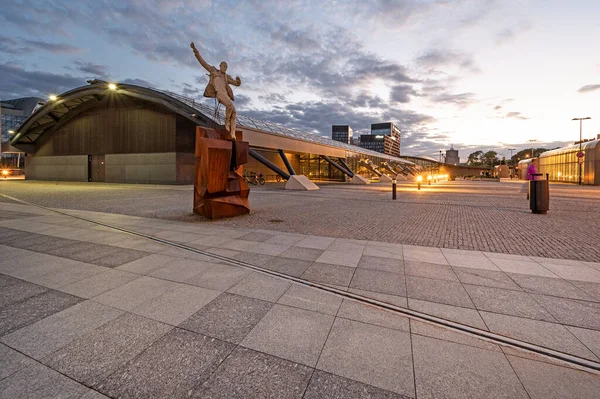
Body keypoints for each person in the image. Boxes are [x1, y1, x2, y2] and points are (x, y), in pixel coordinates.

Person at [190, 42, 241, 139]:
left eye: (226, 67)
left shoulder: (227, 77)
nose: (225, 68)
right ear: (220, 66)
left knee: (234, 112)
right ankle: (227, 121)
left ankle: (232, 133)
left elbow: (236, 83)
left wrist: (239, 82)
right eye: (224, 66)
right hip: (219, 94)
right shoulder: (213, 71)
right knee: (230, 105)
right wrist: (195, 50)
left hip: (225, 94)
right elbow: (203, 62)